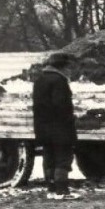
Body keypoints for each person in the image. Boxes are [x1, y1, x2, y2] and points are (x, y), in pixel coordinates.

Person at [33, 51, 77, 196]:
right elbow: (61, 105)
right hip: (59, 128)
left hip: (43, 127)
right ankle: (62, 190)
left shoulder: (39, 80)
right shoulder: (59, 81)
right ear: (62, 67)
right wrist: (70, 119)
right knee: (63, 158)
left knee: (49, 156)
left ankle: (51, 188)